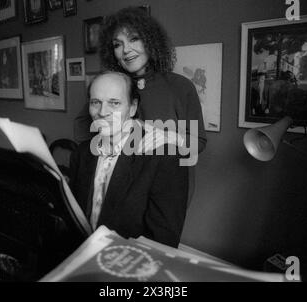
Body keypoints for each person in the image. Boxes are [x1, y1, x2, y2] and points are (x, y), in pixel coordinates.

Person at [73, 7, 207, 203]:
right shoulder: (113, 86)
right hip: (119, 191)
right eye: (118, 44)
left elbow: (199, 142)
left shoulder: (180, 87)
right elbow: (82, 131)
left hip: (166, 191)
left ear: (150, 41)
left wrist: (168, 137)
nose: (126, 50)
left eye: (134, 39)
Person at [69, 71, 188, 247]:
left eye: (114, 103)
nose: (102, 112)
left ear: (132, 108)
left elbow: (162, 242)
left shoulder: (163, 158)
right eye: (95, 102)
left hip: (128, 265)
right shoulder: (81, 153)